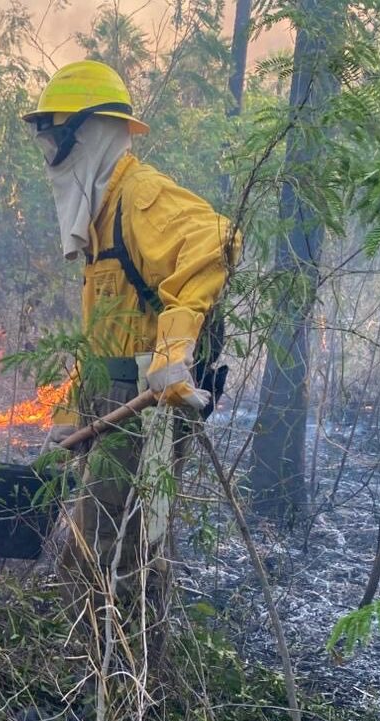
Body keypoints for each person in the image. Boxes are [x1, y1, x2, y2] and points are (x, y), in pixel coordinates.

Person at [25, 60, 234, 601]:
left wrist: (173, 352)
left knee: (103, 550)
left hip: (147, 403)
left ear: (90, 133)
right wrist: (73, 410)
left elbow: (215, 238)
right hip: (113, 394)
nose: (49, 152)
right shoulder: (100, 211)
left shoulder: (140, 196)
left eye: (56, 136)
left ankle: (109, 668)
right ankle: (118, 658)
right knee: (119, 544)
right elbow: (107, 330)